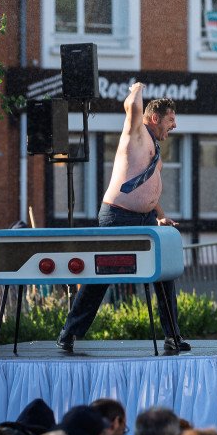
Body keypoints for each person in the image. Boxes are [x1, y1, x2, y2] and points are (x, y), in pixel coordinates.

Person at [57, 83, 188, 353]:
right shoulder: (136, 133)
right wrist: (137, 88)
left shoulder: (154, 147)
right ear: (155, 118)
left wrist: (161, 216)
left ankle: (172, 336)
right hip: (117, 216)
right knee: (101, 275)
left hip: (146, 219)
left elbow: (146, 185)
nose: (174, 125)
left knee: (164, 271)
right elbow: (131, 106)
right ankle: (69, 333)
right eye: (170, 120)